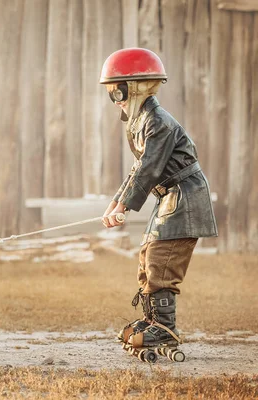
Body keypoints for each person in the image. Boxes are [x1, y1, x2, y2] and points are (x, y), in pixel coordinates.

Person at [99, 48, 217, 349]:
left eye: (118, 91)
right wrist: (115, 202)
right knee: (148, 257)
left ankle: (165, 327)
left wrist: (125, 204)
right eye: (112, 93)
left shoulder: (158, 122)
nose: (116, 99)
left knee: (162, 261)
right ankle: (152, 320)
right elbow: (138, 168)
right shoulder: (140, 120)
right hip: (168, 198)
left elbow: (149, 167)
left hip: (184, 198)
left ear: (136, 86)